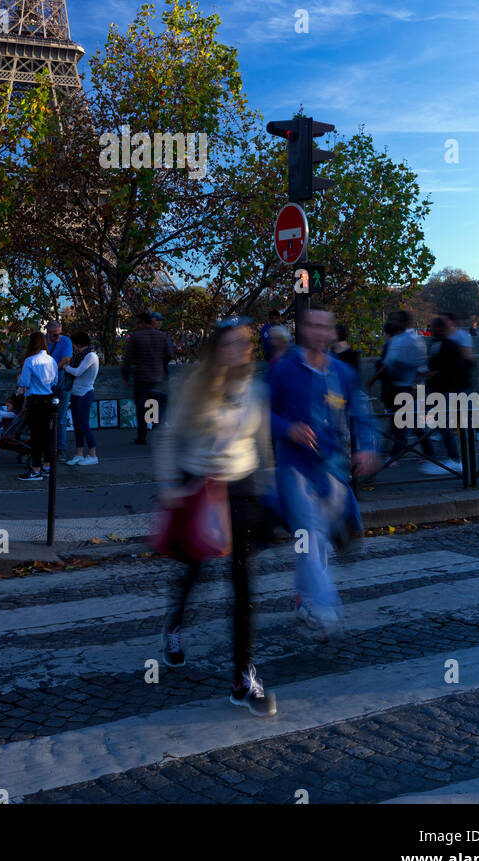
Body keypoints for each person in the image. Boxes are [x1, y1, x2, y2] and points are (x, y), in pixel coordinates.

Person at [154, 317, 276, 718]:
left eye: (244, 343)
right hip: (198, 487)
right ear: (216, 349)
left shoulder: (255, 390)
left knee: (244, 585)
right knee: (194, 569)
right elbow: (170, 436)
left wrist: (270, 486)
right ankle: (175, 625)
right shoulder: (195, 387)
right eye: (231, 344)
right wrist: (170, 486)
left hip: (240, 489)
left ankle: (243, 678)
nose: (240, 350)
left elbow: (262, 444)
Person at [268, 307, 380, 638]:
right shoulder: (284, 370)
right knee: (310, 535)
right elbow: (261, 413)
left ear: (332, 332)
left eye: (324, 326)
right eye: (312, 325)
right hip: (295, 467)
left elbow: (361, 413)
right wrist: (288, 428)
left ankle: (304, 598)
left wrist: (368, 446)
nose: (318, 332)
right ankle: (324, 604)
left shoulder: (342, 373)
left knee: (320, 539)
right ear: (303, 330)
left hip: (332, 468)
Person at [422, 316, 466, 474]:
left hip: (446, 390)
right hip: (437, 390)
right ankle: (448, 457)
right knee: (439, 424)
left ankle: (453, 459)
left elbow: (454, 369)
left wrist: (435, 373)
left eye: (433, 327)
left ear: (439, 329)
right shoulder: (438, 344)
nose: (430, 330)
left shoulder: (449, 346)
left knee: (443, 425)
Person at [381, 311, 426, 465]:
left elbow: (418, 364)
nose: (392, 322)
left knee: (400, 422)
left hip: (406, 387)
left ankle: (395, 454)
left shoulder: (410, 340)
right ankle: (427, 452)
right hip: (401, 387)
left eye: (395, 319)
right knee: (408, 422)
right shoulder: (401, 339)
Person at [122, 311, 174, 445]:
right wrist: (160, 364)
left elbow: (127, 359)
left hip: (141, 377)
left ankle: (142, 435)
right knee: (156, 405)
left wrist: (126, 376)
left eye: (138, 322)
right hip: (158, 376)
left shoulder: (135, 337)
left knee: (142, 407)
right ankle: (158, 432)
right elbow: (169, 354)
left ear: (143, 322)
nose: (137, 325)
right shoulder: (161, 336)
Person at [16, 332, 58, 481]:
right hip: (49, 400)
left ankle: (35, 469)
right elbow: (55, 382)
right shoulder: (52, 360)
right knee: (46, 435)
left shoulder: (30, 361)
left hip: (35, 401)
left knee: (36, 437)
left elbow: (25, 383)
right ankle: (47, 466)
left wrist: (20, 381)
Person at [64, 331, 100, 465]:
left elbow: (78, 371)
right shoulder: (82, 355)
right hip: (76, 393)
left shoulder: (90, 356)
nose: (73, 348)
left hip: (85, 393)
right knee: (78, 426)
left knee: (84, 425)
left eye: (74, 345)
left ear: (78, 344)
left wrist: (66, 367)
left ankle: (93, 455)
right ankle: (79, 453)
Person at [45, 320, 73, 458]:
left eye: (60, 334)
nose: (58, 337)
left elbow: (66, 360)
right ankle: (48, 447)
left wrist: (50, 370)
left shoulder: (65, 341)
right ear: (48, 333)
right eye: (55, 335)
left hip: (61, 383)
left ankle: (60, 449)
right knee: (45, 418)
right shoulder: (42, 342)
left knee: (61, 419)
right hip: (45, 385)